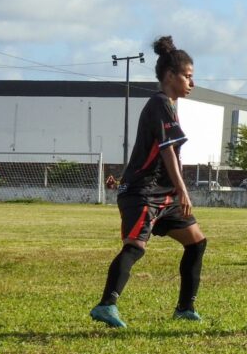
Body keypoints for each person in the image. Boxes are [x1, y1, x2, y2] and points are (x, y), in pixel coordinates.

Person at [89, 36, 207, 328]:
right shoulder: (160, 104)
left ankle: (184, 309)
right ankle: (106, 305)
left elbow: (171, 151)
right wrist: (183, 189)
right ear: (171, 76)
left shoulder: (169, 104)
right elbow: (167, 150)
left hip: (163, 195)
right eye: (188, 77)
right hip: (143, 192)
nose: (192, 83)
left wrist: (175, 190)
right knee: (135, 247)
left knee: (197, 242)